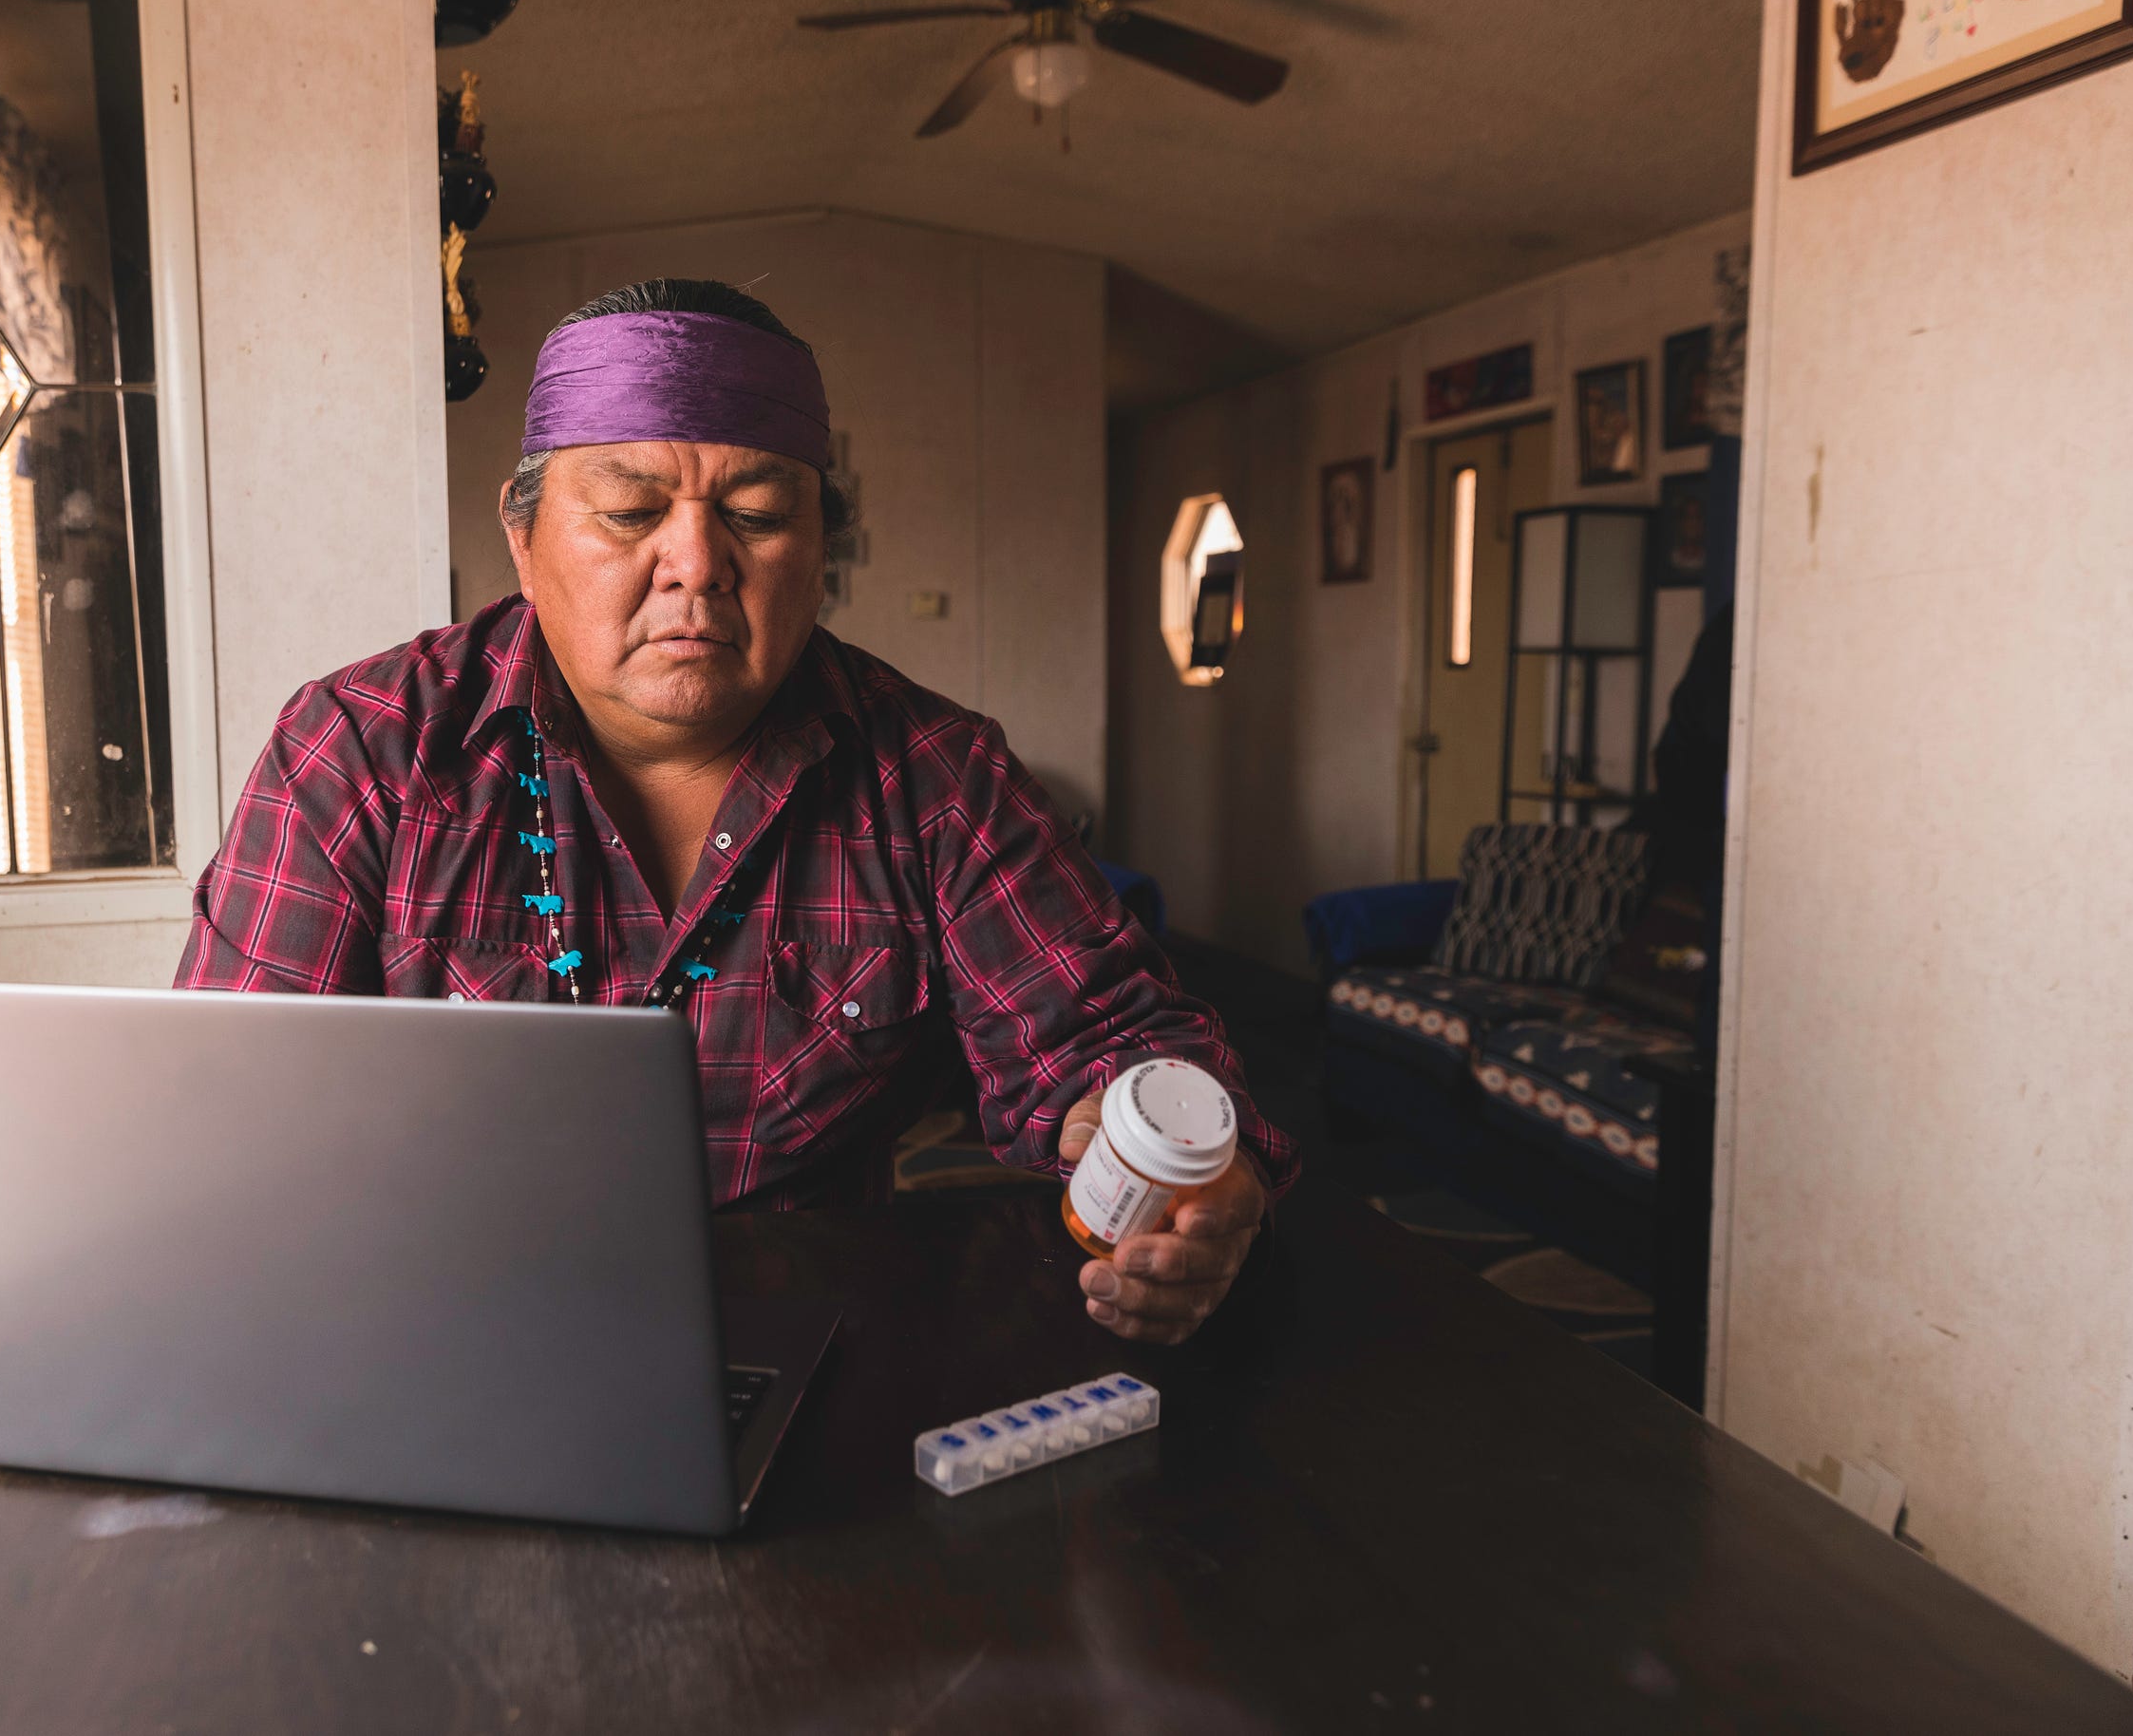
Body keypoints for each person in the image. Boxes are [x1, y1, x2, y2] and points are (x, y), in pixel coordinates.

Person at [177, 278, 1294, 1344]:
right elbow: (229, 1120)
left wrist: (1184, 1166)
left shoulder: (933, 778)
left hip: (800, 1337)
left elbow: (1117, 1038)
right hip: (432, 1325)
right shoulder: (364, 749)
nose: (696, 566)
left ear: (819, 553)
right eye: (626, 512)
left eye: (756, 516)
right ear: (523, 539)